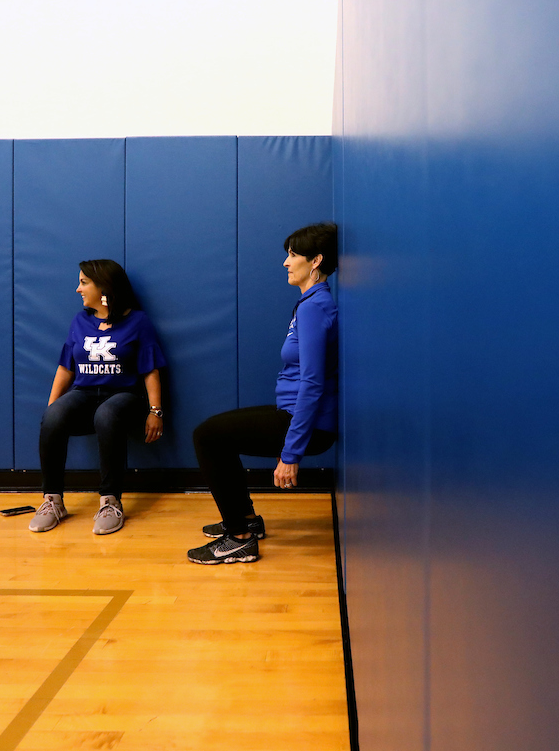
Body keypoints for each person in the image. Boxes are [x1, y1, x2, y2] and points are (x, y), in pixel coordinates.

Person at [187, 222, 339, 565]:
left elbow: (313, 382)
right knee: (213, 432)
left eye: (293, 255)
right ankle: (246, 521)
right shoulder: (310, 303)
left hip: (309, 425)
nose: (286, 262)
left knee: (207, 436)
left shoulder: (316, 308)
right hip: (292, 412)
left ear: (315, 261)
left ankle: (239, 538)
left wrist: (291, 453)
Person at [28, 259, 167, 535]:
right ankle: (52, 500)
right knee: (53, 415)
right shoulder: (80, 321)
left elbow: (150, 369)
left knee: (107, 413)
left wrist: (155, 411)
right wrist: (52, 409)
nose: (78, 289)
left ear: (104, 287)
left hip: (124, 396)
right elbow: (66, 367)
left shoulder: (138, 322)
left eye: (83, 282)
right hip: (85, 392)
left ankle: (110, 501)